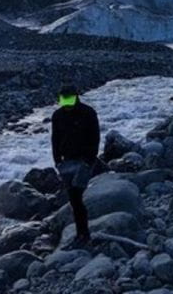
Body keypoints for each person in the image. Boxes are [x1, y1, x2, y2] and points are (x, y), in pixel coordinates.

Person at [51, 84, 100, 247]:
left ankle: (83, 235)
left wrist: (89, 160)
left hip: (83, 161)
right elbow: (55, 139)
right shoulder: (57, 115)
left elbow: (95, 138)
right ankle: (82, 234)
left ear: (76, 97)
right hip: (66, 162)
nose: (66, 103)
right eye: (63, 99)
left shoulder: (88, 113)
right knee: (73, 199)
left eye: (69, 99)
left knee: (77, 198)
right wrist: (57, 161)